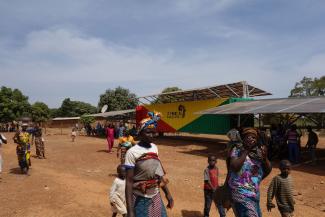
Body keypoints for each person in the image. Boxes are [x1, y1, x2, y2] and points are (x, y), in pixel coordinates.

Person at [124, 112, 173, 217]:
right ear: (141, 133)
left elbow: (158, 173)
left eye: (154, 132)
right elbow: (128, 182)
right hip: (139, 198)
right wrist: (130, 211)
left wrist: (168, 194)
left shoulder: (154, 148)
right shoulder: (132, 152)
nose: (152, 135)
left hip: (155, 195)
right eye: (148, 132)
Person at [228, 127, 272, 217]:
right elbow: (234, 167)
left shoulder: (258, 153)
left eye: (253, 137)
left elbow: (267, 171)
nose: (251, 139)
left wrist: (265, 158)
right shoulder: (237, 150)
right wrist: (246, 151)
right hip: (240, 192)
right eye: (248, 137)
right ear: (243, 139)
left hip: (254, 194)